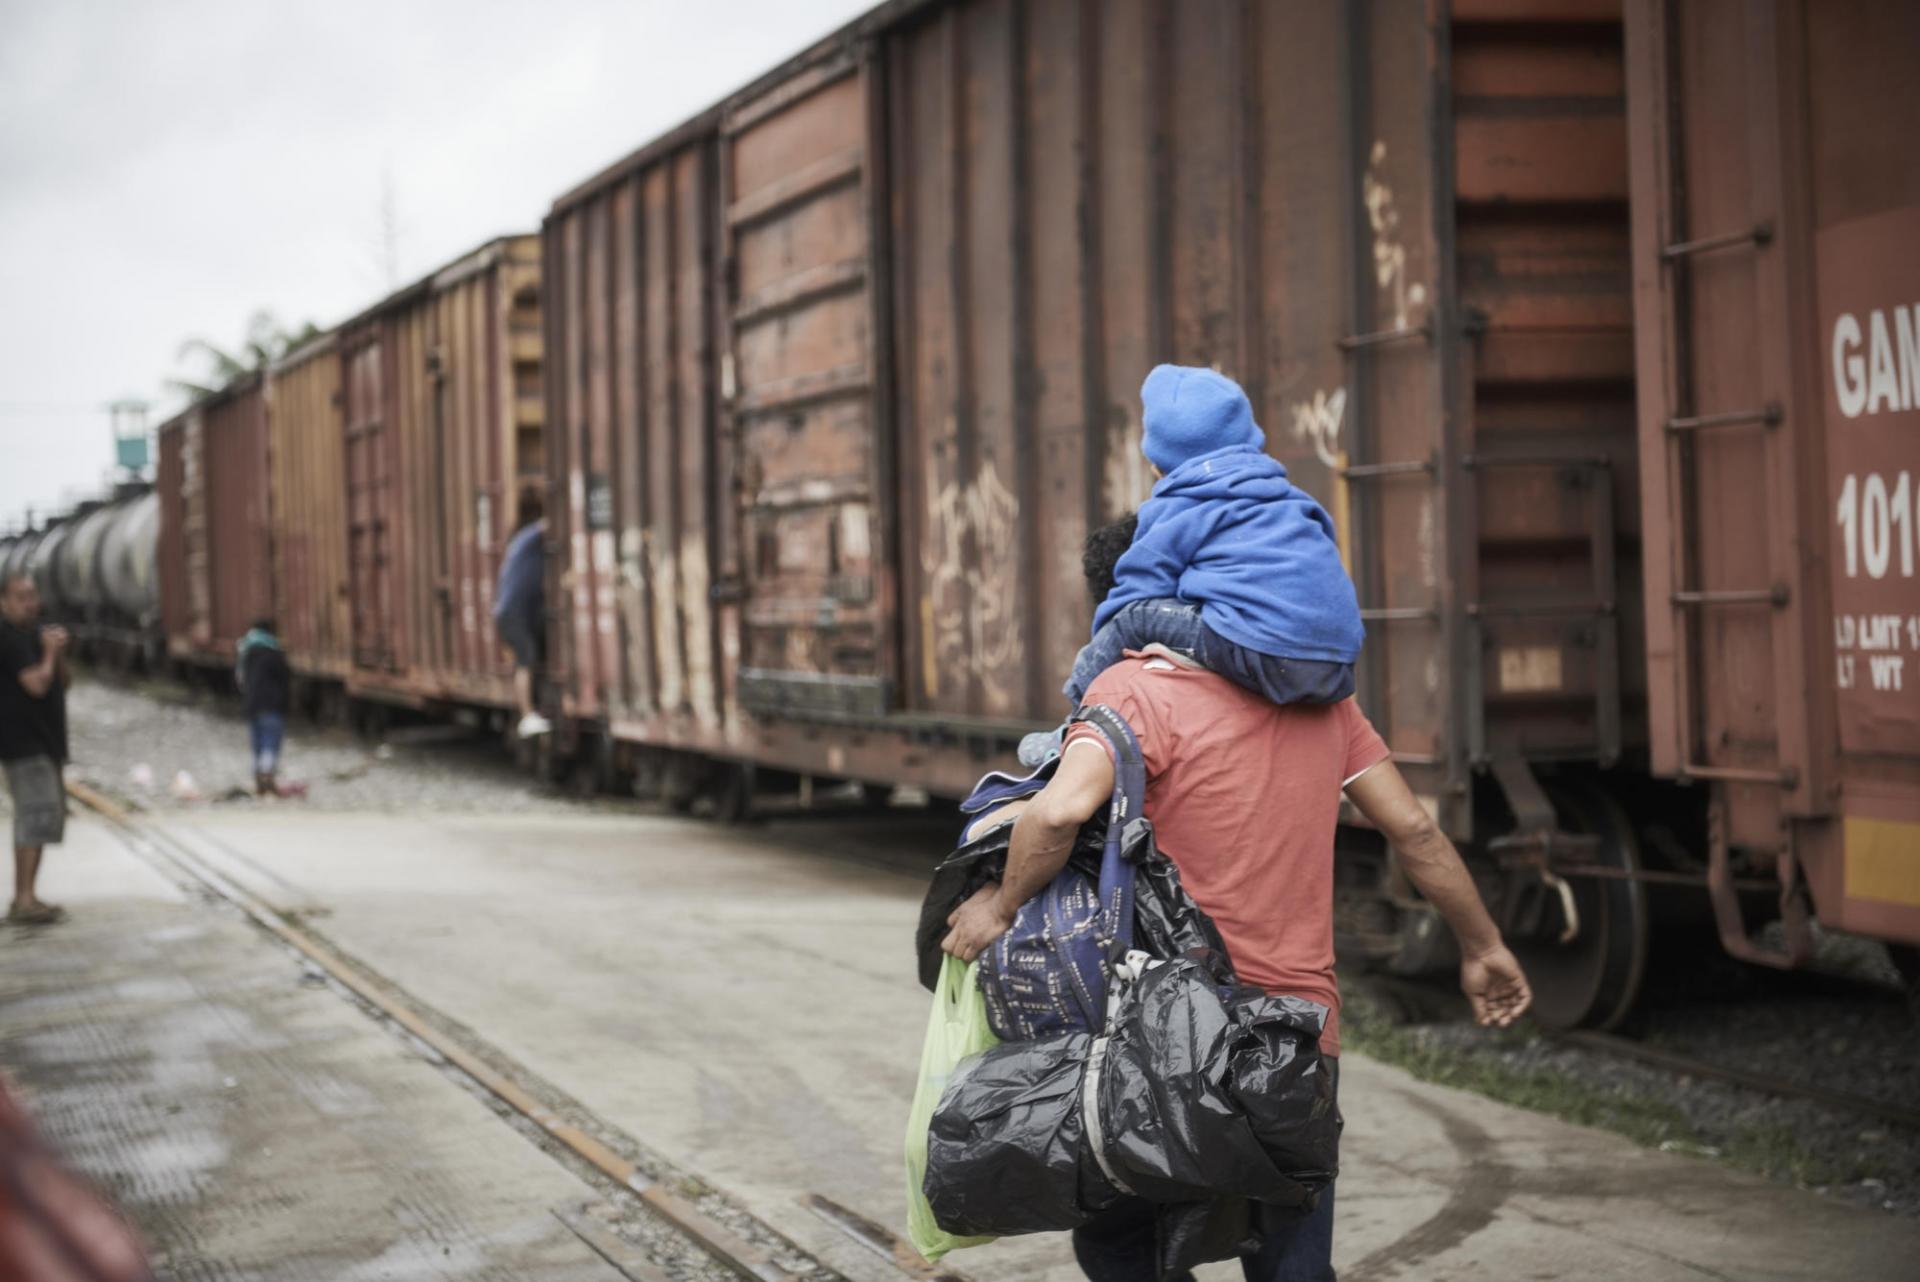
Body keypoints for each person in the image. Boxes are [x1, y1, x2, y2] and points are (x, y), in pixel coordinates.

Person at [944, 518, 1532, 1282]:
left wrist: (999, 904)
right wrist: (1484, 946)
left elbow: (1056, 813)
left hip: (1162, 1045)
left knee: (1123, 1243)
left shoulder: (1129, 690)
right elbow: (1415, 832)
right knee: (1290, 1250)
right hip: (1296, 1033)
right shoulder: (1320, 698)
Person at [1063, 365, 1363, 711]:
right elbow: (1325, 544)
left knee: (1133, 618)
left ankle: (1074, 717)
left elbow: (1137, 588)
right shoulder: (1291, 499)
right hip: (1336, 663)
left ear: (1158, 467)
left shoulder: (1178, 507)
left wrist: (1107, 637)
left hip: (1261, 652)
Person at [0, 572, 71, 925]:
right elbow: (37, 686)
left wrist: (57, 655)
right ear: (4, 602)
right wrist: (48, 653)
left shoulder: (34, 633)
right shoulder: (9, 638)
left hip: (45, 743)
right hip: (23, 745)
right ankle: (23, 898)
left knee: (44, 817)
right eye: (21, 596)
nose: (30, 602)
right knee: (33, 816)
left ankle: (29, 896)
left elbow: (63, 682)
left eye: (32, 595)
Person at [493, 489, 550, 739]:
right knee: (526, 658)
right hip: (513, 613)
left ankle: (533, 711)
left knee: (531, 654)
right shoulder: (528, 537)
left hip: (514, 612)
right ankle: (527, 717)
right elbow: (548, 526)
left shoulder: (518, 541)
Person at [235, 619, 291, 797]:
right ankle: (267, 777)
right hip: (271, 706)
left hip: (252, 706)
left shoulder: (245, 653)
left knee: (257, 745)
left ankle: (258, 778)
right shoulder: (273, 653)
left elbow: (240, 681)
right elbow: (285, 680)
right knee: (270, 743)